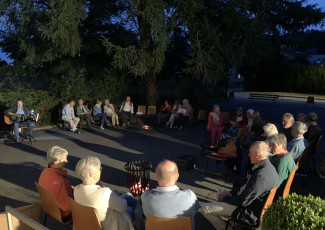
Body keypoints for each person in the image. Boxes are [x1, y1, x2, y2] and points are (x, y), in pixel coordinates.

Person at [200, 141, 279, 229]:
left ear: (257, 154)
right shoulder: (269, 167)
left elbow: (243, 202)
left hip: (247, 212)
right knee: (220, 193)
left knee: (204, 208)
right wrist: (232, 193)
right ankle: (230, 220)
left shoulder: (260, 176)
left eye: (250, 152)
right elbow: (248, 191)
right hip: (252, 206)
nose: (248, 155)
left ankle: (229, 228)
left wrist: (225, 198)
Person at [74, 156, 135, 230]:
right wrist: (112, 194)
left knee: (128, 195)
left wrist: (110, 194)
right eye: (100, 169)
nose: (101, 171)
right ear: (92, 173)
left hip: (92, 224)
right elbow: (123, 207)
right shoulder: (105, 193)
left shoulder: (76, 189)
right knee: (133, 207)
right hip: (112, 225)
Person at [141, 160, 199, 230]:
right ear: (177, 176)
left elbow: (145, 212)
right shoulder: (189, 196)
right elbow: (196, 210)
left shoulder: (146, 197)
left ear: (156, 176)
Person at [38, 146, 74, 221]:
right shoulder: (59, 181)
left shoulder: (45, 172)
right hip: (62, 214)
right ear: (56, 162)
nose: (66, 161)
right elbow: (67, 208)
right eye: (65, 158)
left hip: (49, 207)